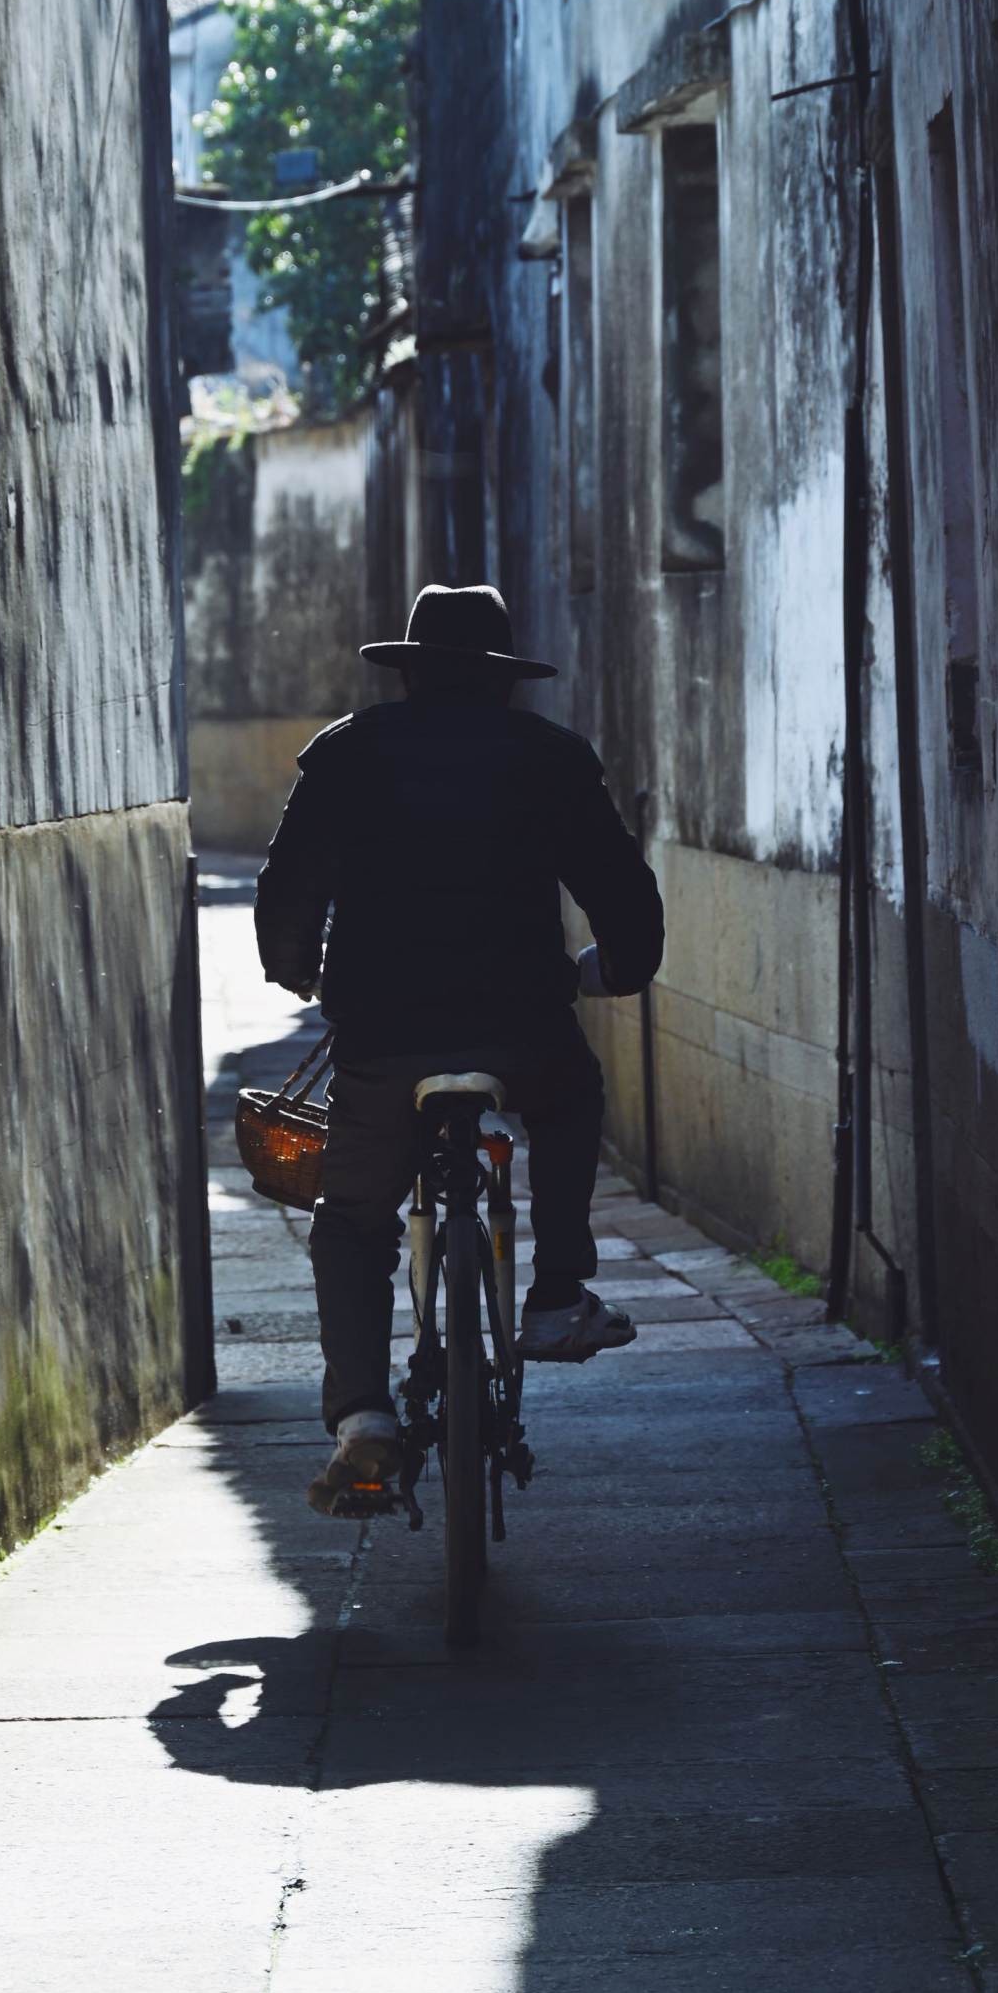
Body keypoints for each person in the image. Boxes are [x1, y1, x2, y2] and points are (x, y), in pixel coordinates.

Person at [253, 583, 666, 1516]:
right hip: (522, 1024)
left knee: (354, 1219)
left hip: (383, 1034)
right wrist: (621, 968)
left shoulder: (346, 754)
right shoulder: (552, 759)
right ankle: (557, 1295)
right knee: (568, 1098)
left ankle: (362, 1418)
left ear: (406, 671)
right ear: (505, 681)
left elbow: (288, 887)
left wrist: (297, 970)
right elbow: (622, 889)